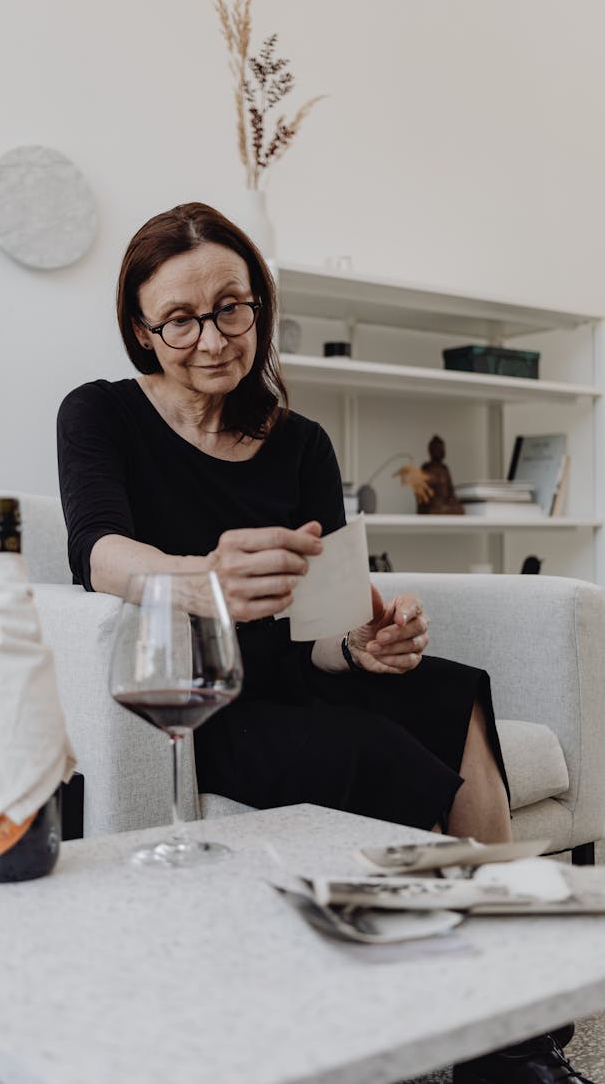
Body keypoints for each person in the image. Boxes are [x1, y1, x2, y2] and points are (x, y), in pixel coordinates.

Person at [57, 201, 589, 1084]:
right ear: (143, 331)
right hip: (205, 690)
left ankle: (509, 1036)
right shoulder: (101, 415)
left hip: (293, 674)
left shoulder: (298, 441)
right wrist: (203, 582)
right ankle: (463, 1028)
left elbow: (322, 630)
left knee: (450, 686)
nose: (213, 337)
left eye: (232, 306)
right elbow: (97, 551)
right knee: (378, 747)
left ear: (258, 307)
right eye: (180, 318)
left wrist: (366, 647)